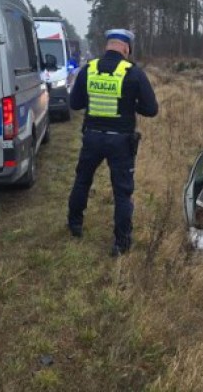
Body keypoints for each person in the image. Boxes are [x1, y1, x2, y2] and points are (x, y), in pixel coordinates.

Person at [67, 29, 158, 257]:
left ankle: (75, 224)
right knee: (122, 192)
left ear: (108, 46)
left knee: (82, 180)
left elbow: (75, 104)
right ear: (126, 48)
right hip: (121, 142)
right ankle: (121, 243)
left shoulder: (89, 69)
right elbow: (151, 109)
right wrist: (129, 104)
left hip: (92, 136)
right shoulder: (134, 73)